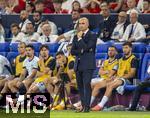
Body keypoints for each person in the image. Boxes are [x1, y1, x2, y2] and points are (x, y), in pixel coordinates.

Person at [92, 42, 138, 111]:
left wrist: (118, 77)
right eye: (123, 48)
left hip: (127, 80)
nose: (124, 50)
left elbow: (132, 74)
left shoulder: (133, 59)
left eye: (126, 48)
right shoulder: (120, 60)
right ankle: (87, 104)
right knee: (98, 85)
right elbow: (117, 72)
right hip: (118, 79)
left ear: (130, 48)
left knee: (110, 85)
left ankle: (100, 105)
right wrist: (114, 77)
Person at [71, 17, 97, 112]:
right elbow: (72, 52)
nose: (81, 25)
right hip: (78, 64)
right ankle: (82, 106)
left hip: (88, 64)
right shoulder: (75, 36)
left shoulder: (92, 35)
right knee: (80, 86)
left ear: (87, 24)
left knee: (86, 84)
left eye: (83, 23)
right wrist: (82, 50)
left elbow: (87, 47)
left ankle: (87, 107)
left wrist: (80, 39)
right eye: (80, 23)